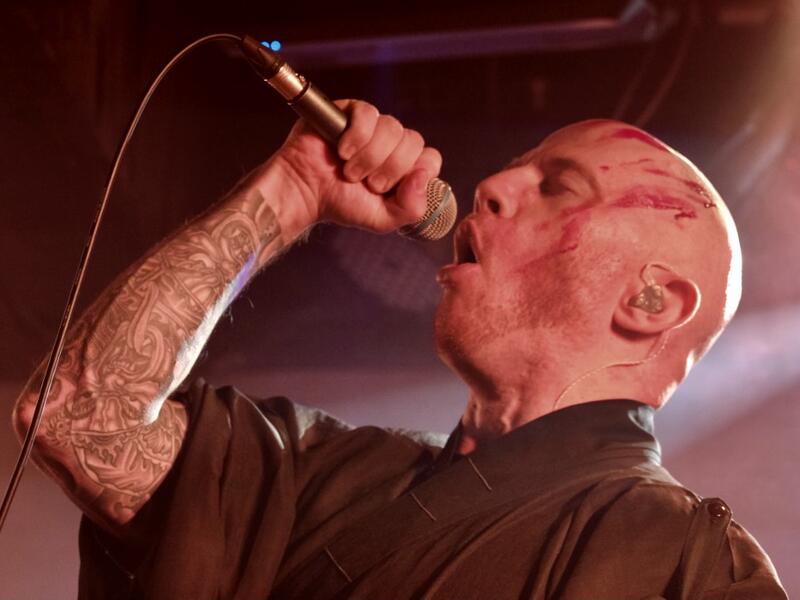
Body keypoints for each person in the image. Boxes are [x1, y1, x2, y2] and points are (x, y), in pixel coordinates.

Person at [13, 100, 787, 599]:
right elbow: (79, 420)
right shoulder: (318, 475)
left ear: (652, 300)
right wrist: (291, 190)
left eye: (558, 187)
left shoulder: (687, 566)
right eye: (517, 168)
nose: (493, 185)